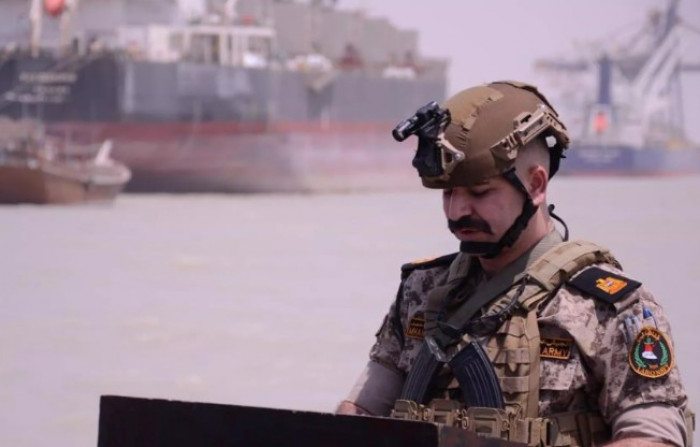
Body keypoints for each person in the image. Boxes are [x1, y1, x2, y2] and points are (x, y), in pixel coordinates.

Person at [336, 80, 693, 447]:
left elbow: (654, 438)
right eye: (449, 193)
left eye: (480, 193)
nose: (457, 211)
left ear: (535, 185)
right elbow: (363, 411)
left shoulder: (611, 308)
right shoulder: (422, 291)